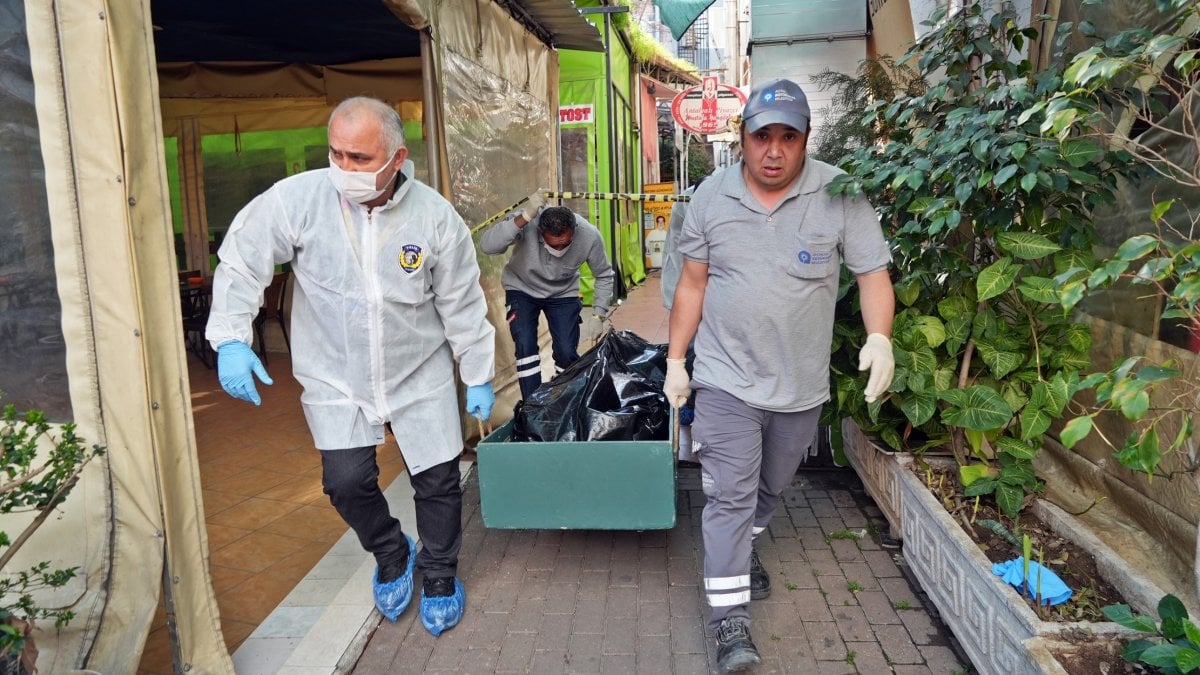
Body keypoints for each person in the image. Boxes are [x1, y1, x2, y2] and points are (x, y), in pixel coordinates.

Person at [205, 96, 496, 637]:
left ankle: (439, 573)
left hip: (419, 369)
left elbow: (461, 300)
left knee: (437, 481)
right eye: (336, 153)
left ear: (396, 156)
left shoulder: (434, 218)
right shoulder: (300, 200)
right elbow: (244, 257)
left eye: (360, 158)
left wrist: (477, 371)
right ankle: (392, 552)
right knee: (344, 482)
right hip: (335, 372)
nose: (345, 168)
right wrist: (229, 337)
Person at [663, 78, 895, 673]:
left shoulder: (840, 193)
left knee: (769, 490)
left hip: (799, 386)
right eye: (761, 136)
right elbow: (692, 283)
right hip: (724, 379)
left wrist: (879, 339)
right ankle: (729, 625)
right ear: (742, 139)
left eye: (787, 137)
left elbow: (871, 274)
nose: (773, 150)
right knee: (730, 497)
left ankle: (741, 550)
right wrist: (676, 360)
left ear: (805, 141)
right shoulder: (712, 197)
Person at [481, 197, 615, 400]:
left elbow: (604, 274)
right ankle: (533, 406)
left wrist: (599, 315)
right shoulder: (527, 223)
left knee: (567, 352)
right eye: (553, 246)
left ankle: (563, 402)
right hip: (521, 287)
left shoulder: (589, 235)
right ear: (541, 234)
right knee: (525, 346)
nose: (558, 251)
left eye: (565, 245)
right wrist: (523, 217)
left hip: (563, 293)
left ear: (574, 231)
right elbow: (488, 246)